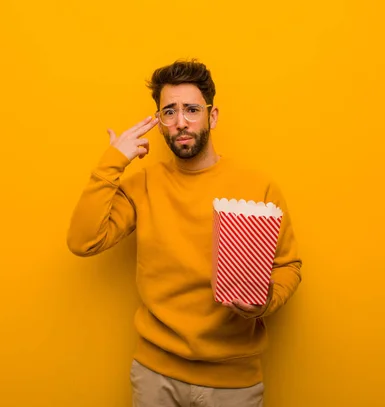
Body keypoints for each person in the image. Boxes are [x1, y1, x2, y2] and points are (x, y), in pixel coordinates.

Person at [66, 59, 302, 407]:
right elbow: (83, 241)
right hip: (155, 376)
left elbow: (288, 266)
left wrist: (264, 304)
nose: (180, 123)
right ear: (159, 121)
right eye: (169, 112)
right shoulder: (144, 185)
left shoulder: (258, 187)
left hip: (233, 382)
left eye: (191, 110)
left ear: (213, 115)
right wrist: (112, 161)